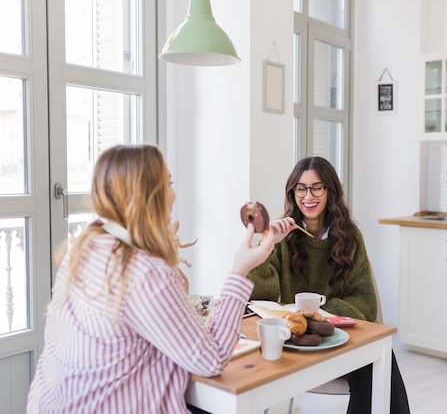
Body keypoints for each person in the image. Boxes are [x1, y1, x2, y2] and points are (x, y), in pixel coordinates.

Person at [27, 144, 275, 414]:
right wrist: (240, 270)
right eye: (167, 183)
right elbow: (211, 360)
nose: (174, 195)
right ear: (146, 195)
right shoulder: (145, 272)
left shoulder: (84, 246)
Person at [247, 156, 411, 414]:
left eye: (317, 187)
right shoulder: (282, 234)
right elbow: (260, 294)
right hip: (294, 341)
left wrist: (322, 317)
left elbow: (364, 302)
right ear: (293, 192)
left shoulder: (349, 236)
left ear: (330, 191)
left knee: (381, 362)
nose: (308, 196)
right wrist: (267, 243)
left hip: (336, 338)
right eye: (300, 188)